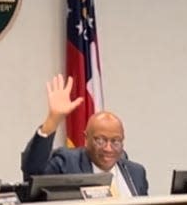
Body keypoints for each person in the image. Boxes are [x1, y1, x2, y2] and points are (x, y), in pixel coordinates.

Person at [20, 74, 149, 196]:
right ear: (86, 139)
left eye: (115, 141)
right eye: (100, 140)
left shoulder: (136, 173)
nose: (108, 148)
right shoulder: (67, 164)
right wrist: (52, 121)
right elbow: (33, 172)